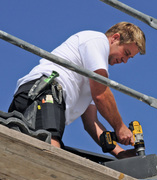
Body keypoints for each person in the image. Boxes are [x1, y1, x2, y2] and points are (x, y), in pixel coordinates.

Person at [8, 22, 146, 159]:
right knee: (51, 150)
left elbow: (91, 122)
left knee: (17, 153)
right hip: (45, 91)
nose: (125, 61)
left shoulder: (89, 74)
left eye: (130, 58)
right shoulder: (97, 40)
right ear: (115, 38)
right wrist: (120, 127)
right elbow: (101, 94)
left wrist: (119, 152)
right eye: (126, 53)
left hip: (37, 95)